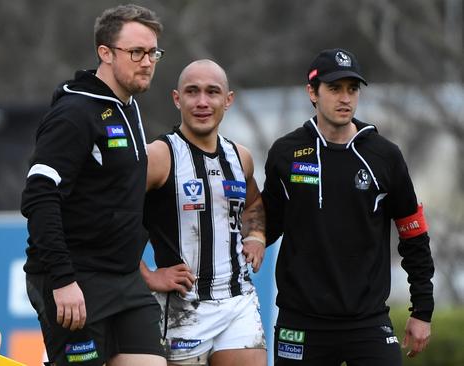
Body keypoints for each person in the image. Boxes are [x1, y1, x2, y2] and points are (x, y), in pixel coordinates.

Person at [262, 48, 434, 365]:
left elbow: (413, 234)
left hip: (368, 321)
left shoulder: (385, 156)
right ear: (312, 92)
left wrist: (422, 309)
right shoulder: (286, 154)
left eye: (352, 89)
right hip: (301, 322)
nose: (345, 98)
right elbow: (266, 227)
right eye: (335, 88)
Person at [20, 4, 167, 366]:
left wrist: (146, 269)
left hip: (124, 281)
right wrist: (63, 280)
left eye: (153, 53)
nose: (147, 62)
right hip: (75, 280)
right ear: (105, 53)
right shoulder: (74, 113)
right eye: (136, 52)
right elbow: (39, 197)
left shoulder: (127, 106)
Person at [142, 59, 267, 366]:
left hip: (239, 301)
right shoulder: (159, 155)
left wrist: (257, 235)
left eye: (212, 92)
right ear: (176, 98)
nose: (202, 102)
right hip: (184, 308)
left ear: (228, 100)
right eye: (192, 92)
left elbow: (252, 202)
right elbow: (109, 214)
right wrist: (146, 276)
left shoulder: (240, 157)